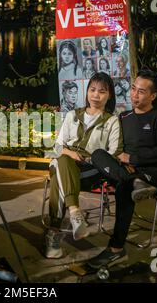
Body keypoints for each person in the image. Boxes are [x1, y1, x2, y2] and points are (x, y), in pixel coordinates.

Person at [87, 70, 157, 269]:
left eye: (141, 92)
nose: (134, 95)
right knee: (98, 154)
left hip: (153, 172)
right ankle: (131, 181)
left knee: (124, 189)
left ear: (153, 96)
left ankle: (116, 249)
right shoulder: (123, 117)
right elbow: (114, 146)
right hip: (125, 170)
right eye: (133, 89)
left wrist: (133, 158)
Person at [45, 72, 122, 259]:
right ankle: (74, 212)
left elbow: (115, 153)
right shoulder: (73, 115)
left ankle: (54, 235)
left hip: (91, 170)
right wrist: (71, 153)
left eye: (102, 91)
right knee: (62, 160)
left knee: (58, 178)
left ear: (109, 95)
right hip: (65, 158)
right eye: (92, 90)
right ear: (87, 92)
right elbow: (57, 145)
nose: (96, 95)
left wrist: (91, 159)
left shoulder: (111, 121)